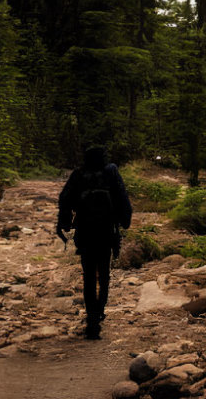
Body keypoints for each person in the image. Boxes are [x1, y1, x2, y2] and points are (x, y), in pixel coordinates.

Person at [57, 144, 132, 339]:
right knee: (104, 273)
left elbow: (64, 199)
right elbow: (123, 197)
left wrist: (64, 223)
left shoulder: (79, 174)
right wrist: (125, 221)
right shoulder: (111, 172)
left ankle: (91, 317)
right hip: (107, 231)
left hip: (85, 231)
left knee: (88, 275)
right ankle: (99, 309)